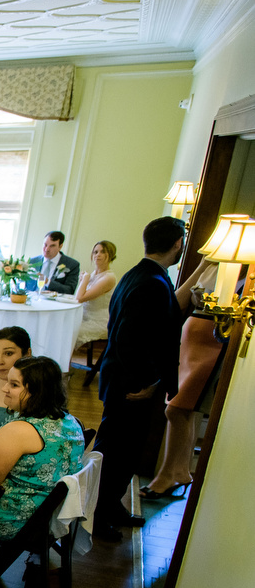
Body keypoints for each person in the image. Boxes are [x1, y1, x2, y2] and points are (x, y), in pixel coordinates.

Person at [93, 216, 187, 539]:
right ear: (177, 244)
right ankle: (98, 513)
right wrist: (145, 382)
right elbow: (127, 338)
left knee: (123, 452)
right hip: (130, 384)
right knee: (116, 454)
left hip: (120, 377)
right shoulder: (152, 283)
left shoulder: (139, 274)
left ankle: (111, 505)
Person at [0, 357, 84, 541]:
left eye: (14, 385)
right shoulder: (71, 422)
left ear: (36, 391)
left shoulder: (19, 431)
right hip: (44, 516)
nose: (4, 389)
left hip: (12, 519)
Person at [144, 257, 223, 500]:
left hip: (213, 344)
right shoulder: (212, 268)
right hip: (191, 341)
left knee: (176, 409)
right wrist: (202, 265)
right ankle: (180, 472)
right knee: (183, 410)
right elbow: (175, 303)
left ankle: (169, 475)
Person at [73, 240, 119, 348]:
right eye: (95, 252)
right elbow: (78, 296)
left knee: (69, 331)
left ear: (110, 255)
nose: (98, 255)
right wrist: (83, 281)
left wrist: (85, 280)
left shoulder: (109, 277)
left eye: (102, 252)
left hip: (98, 321)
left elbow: (80, 298)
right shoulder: (93, 274)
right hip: (83, 316)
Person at [30, 231, 81, 296]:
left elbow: (70, 290)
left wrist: (48, 282)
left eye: (52, 246)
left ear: (60, 246)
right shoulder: (32, 262)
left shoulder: (72, 265)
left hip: (55, 303)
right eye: (45, 244)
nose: (47, 249)